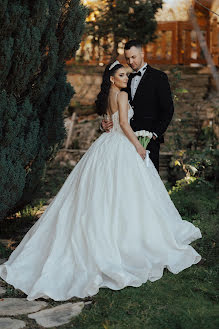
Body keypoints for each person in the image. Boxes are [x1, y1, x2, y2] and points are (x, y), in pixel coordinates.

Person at [0, 61, 202, 302]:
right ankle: (126, 241)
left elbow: (109, 122)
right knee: (127, 195)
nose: (126, 78)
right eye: (121, 75)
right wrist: (138, 146)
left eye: (127, 74)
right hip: (121, 146)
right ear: (112, 78)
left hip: (105, 146)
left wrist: (108, 125)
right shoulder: (123, 95)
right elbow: (125, 125)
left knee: (105, 194)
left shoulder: (110, 95)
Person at [101, 40, 174, 172]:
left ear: (142, 53)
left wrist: (155, 134)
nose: (131, 62)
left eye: (133, 57)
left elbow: (168, 110)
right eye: (127, 58)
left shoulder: (159, 77)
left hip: (148, 140)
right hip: (125, 141)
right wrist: (104, 124)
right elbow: (116, 109)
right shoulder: (124, 80)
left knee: (149, 182)